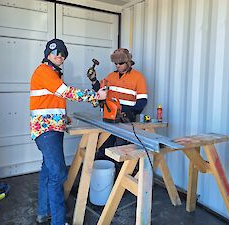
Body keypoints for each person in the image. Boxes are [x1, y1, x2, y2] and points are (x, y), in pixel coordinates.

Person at [30, 38, 107, 225]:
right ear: (48, 54)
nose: (60, 57)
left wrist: (63, 117)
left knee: (48, 171)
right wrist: (96, 96)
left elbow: (50, 102)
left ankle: (43, 211)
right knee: (58, 175)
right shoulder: (44, 72)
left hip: (50, 128)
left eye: (63, 54)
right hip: (47, 132)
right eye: (56, 53)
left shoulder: (52, 74)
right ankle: (57, 221)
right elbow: (66, 93)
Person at [87, 48, 147, 159]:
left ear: (128, 62)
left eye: (120, 63)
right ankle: (105, 170)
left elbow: (142, 101)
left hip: (127, 120)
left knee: (122, 151)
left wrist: (129, 112)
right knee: (103, 148)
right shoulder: (111, 76)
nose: (117, 66)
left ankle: (120, 174)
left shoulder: (138, 77)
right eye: (115, 63)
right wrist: (94, 80)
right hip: (110, 118)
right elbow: (100, 92)